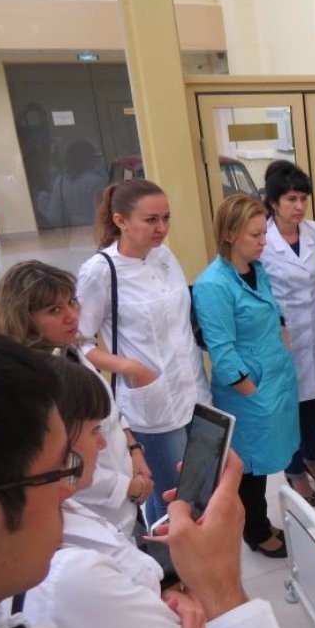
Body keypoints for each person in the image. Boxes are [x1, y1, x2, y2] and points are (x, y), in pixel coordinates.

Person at [0, 330, 315, 628]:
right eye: (59, 469)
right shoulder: (69, 577)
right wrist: (219, 590)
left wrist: (156, 600)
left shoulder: (62, 540)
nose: (67, 489)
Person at [23, 356, 209, 628]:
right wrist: (200, 580)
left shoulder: (67, 509)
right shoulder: (71, 576)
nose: (103, 443)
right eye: (94, 430)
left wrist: (167, 595)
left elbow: (127, 581)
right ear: (57, 442)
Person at [77, 179, 211, 524]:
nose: (161, 228)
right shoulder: (100, 271)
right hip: (153, 401)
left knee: (198, 483)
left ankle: (177, 549)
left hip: (193, 389)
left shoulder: (165, 256)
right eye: (151, 220)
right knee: (173, 496)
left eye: (166, 218)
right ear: (120, 220)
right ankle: (170, 556)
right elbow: (77, 342)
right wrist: (131, 368)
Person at [0, 260, 153, 537]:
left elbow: (108, 413)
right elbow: (60, 465)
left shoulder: (69, 352)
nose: (72, 316)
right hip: (93, 510)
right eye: (54, 310)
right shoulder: (32, 384)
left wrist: (134, 450)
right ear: (23, 317)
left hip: (124, 495)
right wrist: (127, 487)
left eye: (71, 302)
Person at [193, 194, 299, 558]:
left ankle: (261, 522)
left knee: (264, 461)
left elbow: (272, 315)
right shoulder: (213, 285)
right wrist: (252, 392)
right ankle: (255, 532)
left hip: (275, 378)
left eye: (263, 233)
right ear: (229, 235)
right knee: (248, 467)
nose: (263, 241)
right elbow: (222, 352)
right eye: (255, 235)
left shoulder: (257, 269)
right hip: (247, 392)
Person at [260, 161, 315, 508]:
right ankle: (294, 472)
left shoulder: (314, 233)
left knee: (312, 404)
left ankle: (311, 458)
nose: (299, 206)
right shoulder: (261, 239)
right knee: (287, 407)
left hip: (313, 326)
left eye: (303, 198)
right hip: (280, 333)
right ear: (274, 202)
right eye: (291, 199)